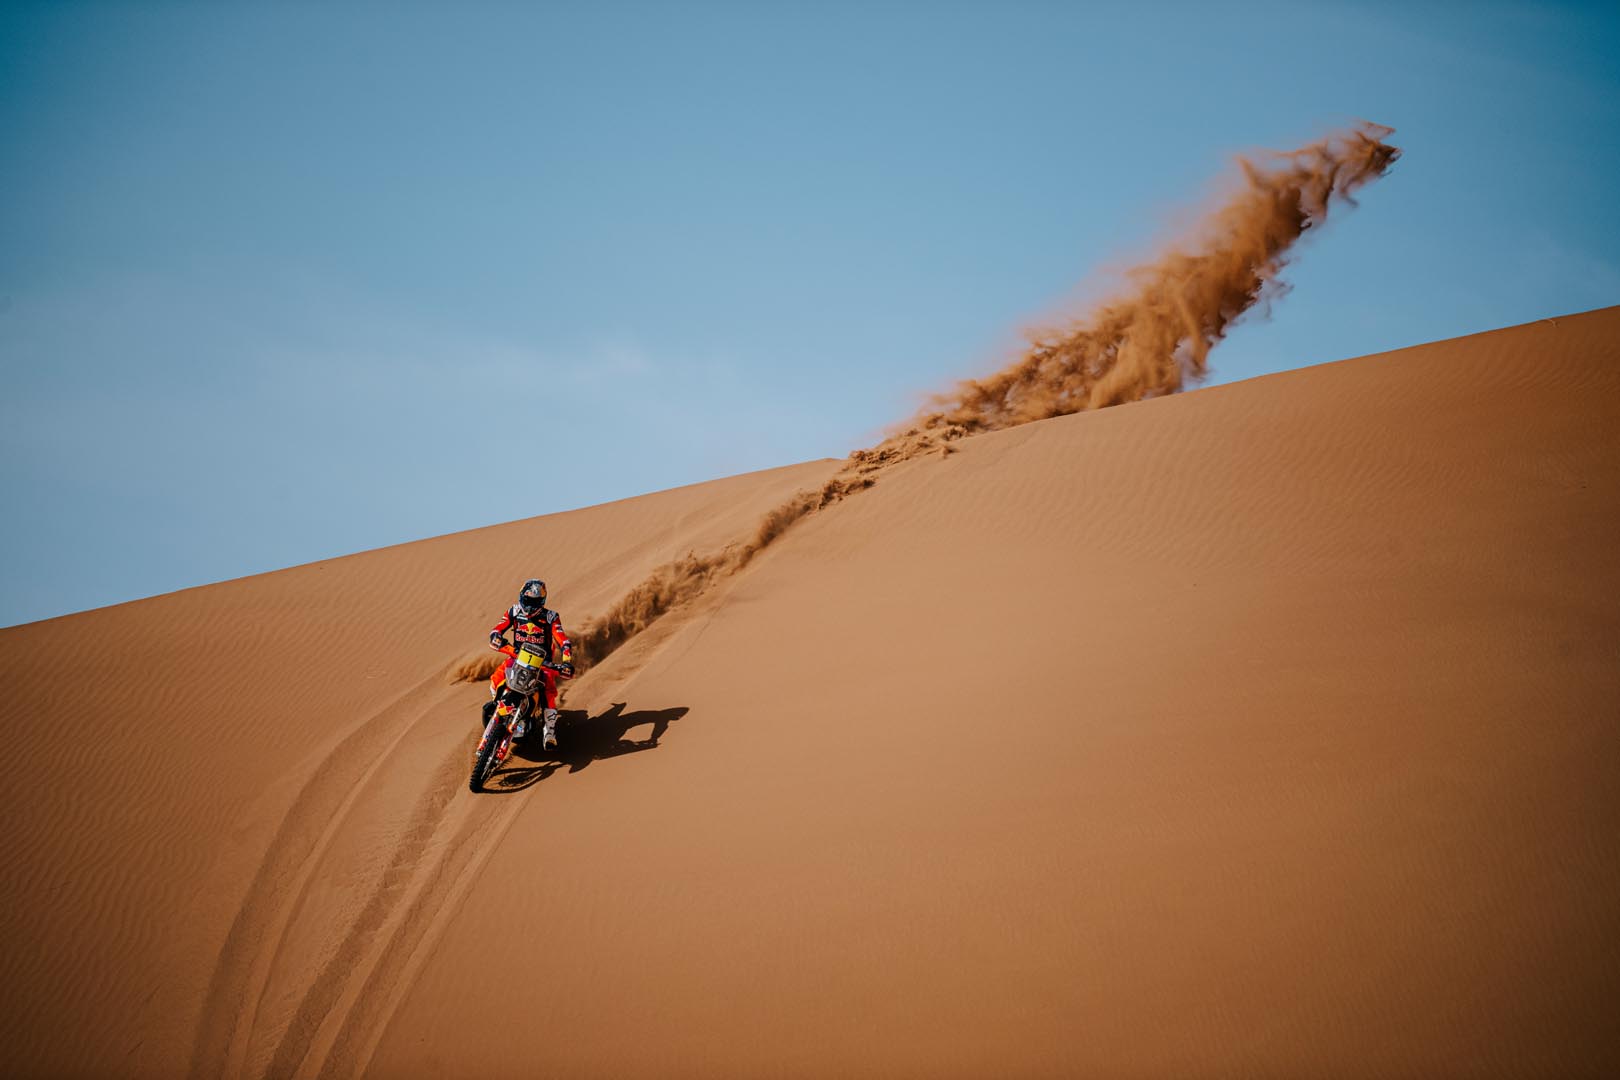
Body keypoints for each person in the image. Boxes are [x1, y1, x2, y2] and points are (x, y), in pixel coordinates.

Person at [485, 578, 574, 748]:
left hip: (543, 664)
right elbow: (498, 628)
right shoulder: (514, 611)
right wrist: (496, 637)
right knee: (496, 679)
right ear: (521, 597)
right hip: (517, 658)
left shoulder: (551, 617)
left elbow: (564, 642)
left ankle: (549, 733)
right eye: (527, 601)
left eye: (534, 602)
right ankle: (498, 704)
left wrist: (566, 662)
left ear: (542, 601)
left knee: (548, 691)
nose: (530, 606)